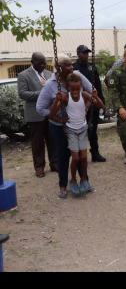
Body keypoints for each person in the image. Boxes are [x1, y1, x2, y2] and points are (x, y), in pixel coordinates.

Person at [36, 54, 93, 199]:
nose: (71, 67)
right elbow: (40, 108)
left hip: (77, 124)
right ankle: (63, 185)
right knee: (63, 156)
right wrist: (55, 117)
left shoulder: (77, 76)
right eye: (67, 65)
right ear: (58, 67)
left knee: (81, 154)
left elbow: (91, 91)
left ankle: (84, 180)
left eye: (71, 64)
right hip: (59, 127)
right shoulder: (51, 85)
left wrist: (85, 108)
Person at [49, 73, 104, 196]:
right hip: (71, 131)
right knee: (75, 158)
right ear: (68, 88)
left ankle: (84, 179)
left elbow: (101, 106)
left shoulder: (84, 95)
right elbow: (52, 114)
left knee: (84, 158)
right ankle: (73, 179)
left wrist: (96, 97)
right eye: (72, 89)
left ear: (80, 88)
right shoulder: (65, 97)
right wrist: (60, 115)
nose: (75, 91)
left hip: (83, 129)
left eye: (77, 89)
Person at [17, 52, 58, 178]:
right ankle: (39, 167)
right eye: (40, 63)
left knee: (52, 140)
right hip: (35, 115)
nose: (43, 65)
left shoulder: (49, 74)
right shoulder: (23, 75)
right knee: (37, 143)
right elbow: (23, 94)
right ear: (32, 62)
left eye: (44, 62)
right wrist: (42, 93)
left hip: (50, 113)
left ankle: (55, 164)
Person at [72, 45, 106, 162]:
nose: (86, 55)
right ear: (78, 53)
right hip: (80, 104)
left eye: (87, 53)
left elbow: (98, 85)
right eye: (83, 53)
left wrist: (101, 101)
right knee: (80, 131)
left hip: (94, 102)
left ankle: (95, 153)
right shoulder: (74, 68)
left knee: (93, 129)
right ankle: (81, 155)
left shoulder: (92, 67)